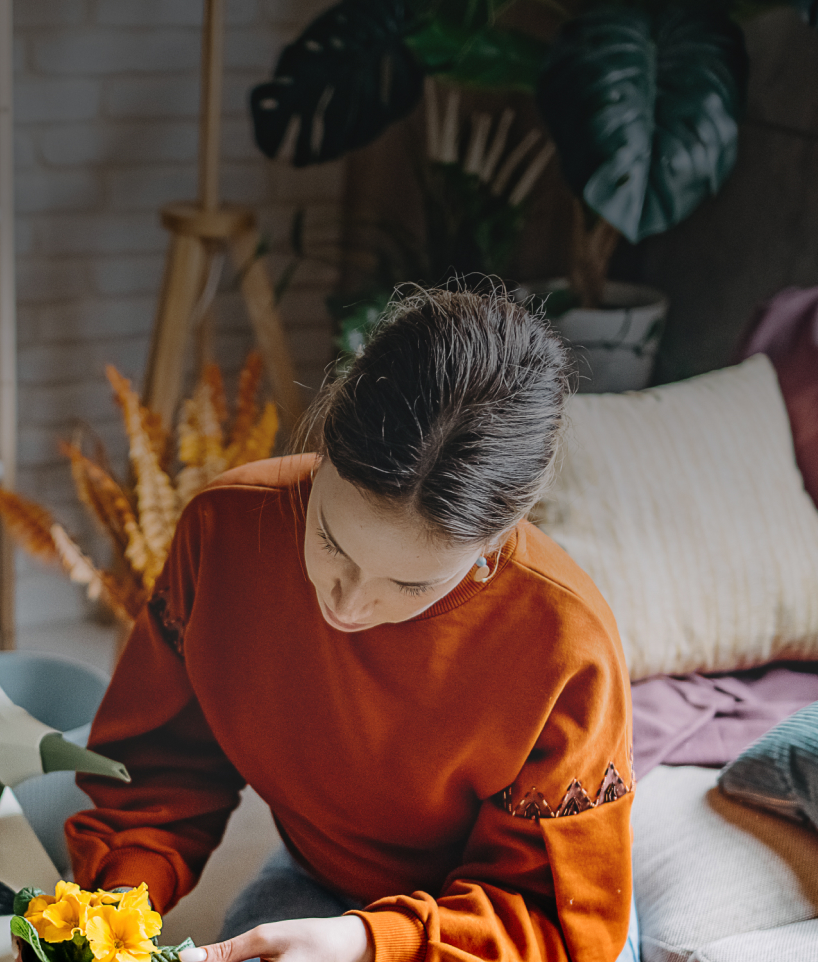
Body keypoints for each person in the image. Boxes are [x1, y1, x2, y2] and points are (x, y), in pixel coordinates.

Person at [50, 289, 637, 962]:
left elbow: (557, 922)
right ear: (323, 444)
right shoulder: (226, 532)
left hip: (499, 934)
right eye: (331, 540)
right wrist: (106, 918)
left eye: (411, 584)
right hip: (323, 883)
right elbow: (160, 772)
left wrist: (367, 943)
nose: (349, 606)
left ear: (494, 545)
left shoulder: (567, 646)